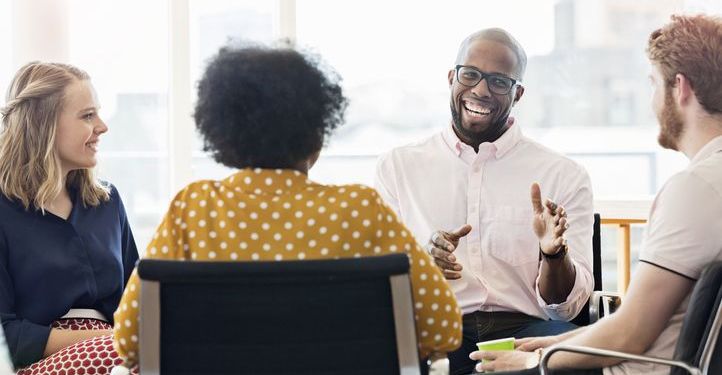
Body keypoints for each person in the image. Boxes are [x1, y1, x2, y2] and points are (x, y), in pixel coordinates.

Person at [112, 44, 462, 372]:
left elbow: (129, 340)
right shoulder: (361, 209)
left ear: (225, 134)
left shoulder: (193, 208)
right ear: (317, 134)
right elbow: (444, 327)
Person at [470, 14, 722, 375]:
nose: (652, 102)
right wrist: (556, 343)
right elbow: (641, 324)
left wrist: (538, 360)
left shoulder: (694, 189)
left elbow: (629, 334)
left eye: (654, 84)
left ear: (679, 88)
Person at [374, 28, 594, 374]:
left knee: (573, 361)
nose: (480, 89)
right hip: (436, 328)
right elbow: (382, 281)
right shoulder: (398, 167)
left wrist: (554, 254)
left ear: (517, 93)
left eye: (498, 81)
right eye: (471, 74)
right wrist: (422, 261)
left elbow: (565, 310)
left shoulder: (563, 174)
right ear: (452, 77)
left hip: (526, 331)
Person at [0, 62, 139, 374]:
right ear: (43, 124)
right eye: (88, 115)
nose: (103, 126)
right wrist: (109, 339)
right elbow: (6, 333)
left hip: (116, 355)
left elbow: (136, 302)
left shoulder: (108, 201)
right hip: (41, 363)